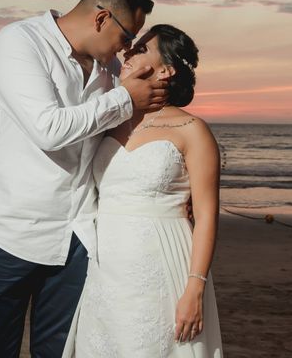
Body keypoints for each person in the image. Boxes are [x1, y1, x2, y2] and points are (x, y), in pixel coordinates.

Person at [0, 0, 168, 357]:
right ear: (100, 18)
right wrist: (125, 99)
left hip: (77, 236)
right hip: (11, 234)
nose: (126, 49)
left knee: (61, 353)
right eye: (126, 36)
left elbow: (118, 143)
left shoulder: (110, 71)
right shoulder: (19, 41)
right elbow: (49, 129)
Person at [63, 24, 223, 357]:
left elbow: (206, 216)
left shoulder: (192, 130)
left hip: (163, 263)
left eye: (140, 49)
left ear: (165, 70)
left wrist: (195, 287)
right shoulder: (107, 120)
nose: (127, 52)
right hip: (105, 269)